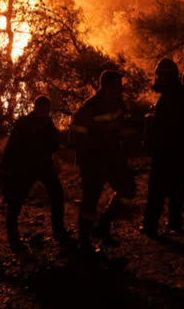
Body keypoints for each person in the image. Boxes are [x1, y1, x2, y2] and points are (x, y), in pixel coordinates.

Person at [70, 70, 138, 249]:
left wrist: (126, 140)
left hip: (112, 157)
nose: (121, 89)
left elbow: (121, 127)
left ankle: (103, 226)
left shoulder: (117, 104)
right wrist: (88, 159)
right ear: (107, 86)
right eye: (118, 85)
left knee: (128, 189)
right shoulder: (89, 108)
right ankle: (85, 241)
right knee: (90, 200)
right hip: (93, 160)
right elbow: (77, 136)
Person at [0, 95, 68, 252]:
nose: (45, 111)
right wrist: (6, 168)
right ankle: (13, 238)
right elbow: (12, 147)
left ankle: (58, 231)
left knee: (57, 194)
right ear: (36, 107)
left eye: (47, 109)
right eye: (43, 108)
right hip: (26, 167)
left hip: (44, 165)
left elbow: (54, 143)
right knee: (16, 201)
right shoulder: (24, 123)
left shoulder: (48, 123)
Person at [142, 59, 184, 237]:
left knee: (156, 189)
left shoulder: (168, 97)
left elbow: (163, 126)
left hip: (165, 151)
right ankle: (175, 222)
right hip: (180, 150)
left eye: (161, 75)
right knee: (177, 187)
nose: (159, 79)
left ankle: (150, 225)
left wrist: (151, 135)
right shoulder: (183, 94)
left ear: (166, 76)